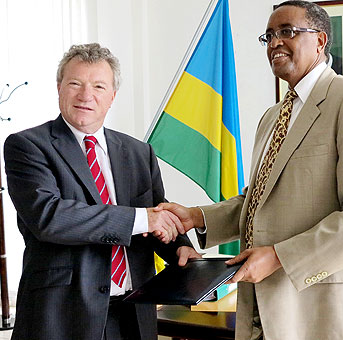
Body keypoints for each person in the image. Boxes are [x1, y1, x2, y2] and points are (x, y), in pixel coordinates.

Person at [157, 1, 343, 339]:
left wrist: (279, 257)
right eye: (268, 36)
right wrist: (195, 216)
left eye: (287, 32)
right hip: (263, 305)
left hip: (328, 305)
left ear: (320, 40)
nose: (274, 43)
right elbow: (257, 203)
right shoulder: (271, 118)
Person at [4, 43, 200, 340]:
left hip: (134, 312)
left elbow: (157, 212)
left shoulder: (138, 152)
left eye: (98, 86)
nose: (86, 95)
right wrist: (144, 219)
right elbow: (49, 218)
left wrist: (178, 247)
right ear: (59, 88)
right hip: (63, 315)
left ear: (112, 97)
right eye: (75, 84)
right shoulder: (28, 146)